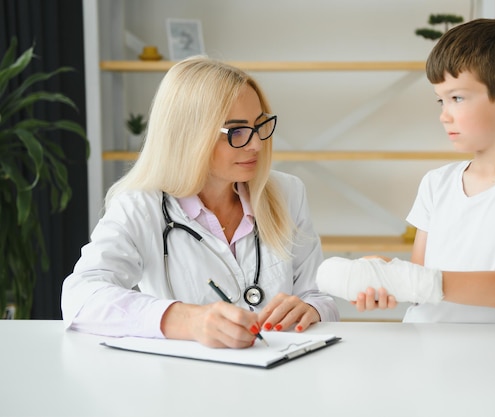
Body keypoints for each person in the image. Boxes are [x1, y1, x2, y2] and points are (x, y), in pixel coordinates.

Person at [62, 56, 339, 348]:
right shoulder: (140, 207)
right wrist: (187, 321)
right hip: (189, 384)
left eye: (259, 126)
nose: (256, 144)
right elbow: (80, 297)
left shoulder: (287, 193)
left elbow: (320, 297)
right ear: (189, 136)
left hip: (282, 372)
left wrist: (312, 310)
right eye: (237, 131)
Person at [317, 18, 495, 325]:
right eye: (442, 100)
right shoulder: (437, 182)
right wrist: (384, 273)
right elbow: (419, 283)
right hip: (423, 346)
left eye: (457, 98)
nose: (444, 115)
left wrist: (404, 279)